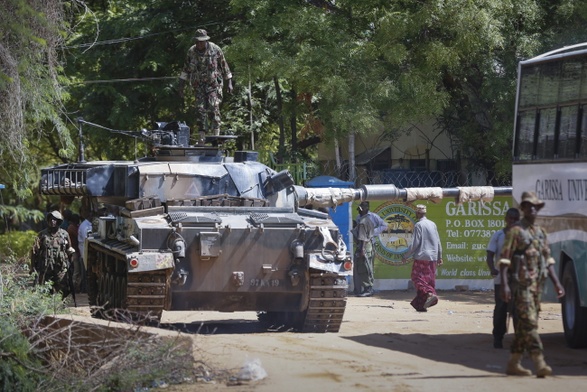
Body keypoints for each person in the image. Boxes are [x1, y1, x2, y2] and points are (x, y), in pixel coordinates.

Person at [498, 191, 565, 377]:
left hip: (537, 286)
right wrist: (504, 285)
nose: (533, 209)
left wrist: (558, 283)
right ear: (524, 209)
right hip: (521, 287)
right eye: (529, 206)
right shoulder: (516, 232)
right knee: (529, 324)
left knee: (524, 327)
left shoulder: (541, 233)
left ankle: (513, 362)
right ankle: (539, 361)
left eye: (536, 206)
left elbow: (548, 261)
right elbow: (504, 261)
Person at [178, 28, 233, 143]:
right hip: (198, 85)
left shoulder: (215, 49)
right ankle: (202, 136)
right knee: (200, 109)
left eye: (201, 41)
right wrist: (181, 87)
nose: (199, 44)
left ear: (206, 41)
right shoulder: (191, 52)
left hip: (213, 84)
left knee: (213, 107)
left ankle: (216, 135)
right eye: (197, 41)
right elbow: (185, 69)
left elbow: (224, 66)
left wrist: (229, 83)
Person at [486, 207, 521, 349]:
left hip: (518, 279)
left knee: (518, 310)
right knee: (501, 309)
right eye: (510, 218)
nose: (512, 221)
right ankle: (498, 338)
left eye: (515, 219)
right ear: (506, 219)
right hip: (501, 279)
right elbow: (490, 255)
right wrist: (492, 269)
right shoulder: (498, 235)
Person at [401, 204, 443, 312]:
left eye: (416, 212)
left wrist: (406, 255)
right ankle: (421, 305)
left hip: (422, 256)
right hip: (432, 257)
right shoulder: (432, 224)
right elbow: (438, 241)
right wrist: (440, 256)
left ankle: (430, 294)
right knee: (428, 280)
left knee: (417, 278)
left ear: (418, 213)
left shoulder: (419, 225)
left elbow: (415, 243)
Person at [30, 210, 76, 298]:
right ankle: (48, 307)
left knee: (64, 289)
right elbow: (34, 251)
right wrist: (33, 267)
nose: (52, 221)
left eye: (55, 220)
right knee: (45, 289)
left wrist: (71, 266)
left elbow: (69, 250)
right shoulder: (42, 235)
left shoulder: (64, 234)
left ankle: (61, 306)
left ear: (59, 221)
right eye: (51, 219)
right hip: (45, 268)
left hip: (60, 268)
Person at [351, 201, 388, 297]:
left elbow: (383, 226)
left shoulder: (370, 218)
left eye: (360, 208)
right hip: (363, 244)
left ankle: (368, 288)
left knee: (366, 267)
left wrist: (372, 232)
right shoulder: (360, 219)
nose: (359, 210)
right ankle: (365, 288)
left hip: (366, 244)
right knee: (365, 267)